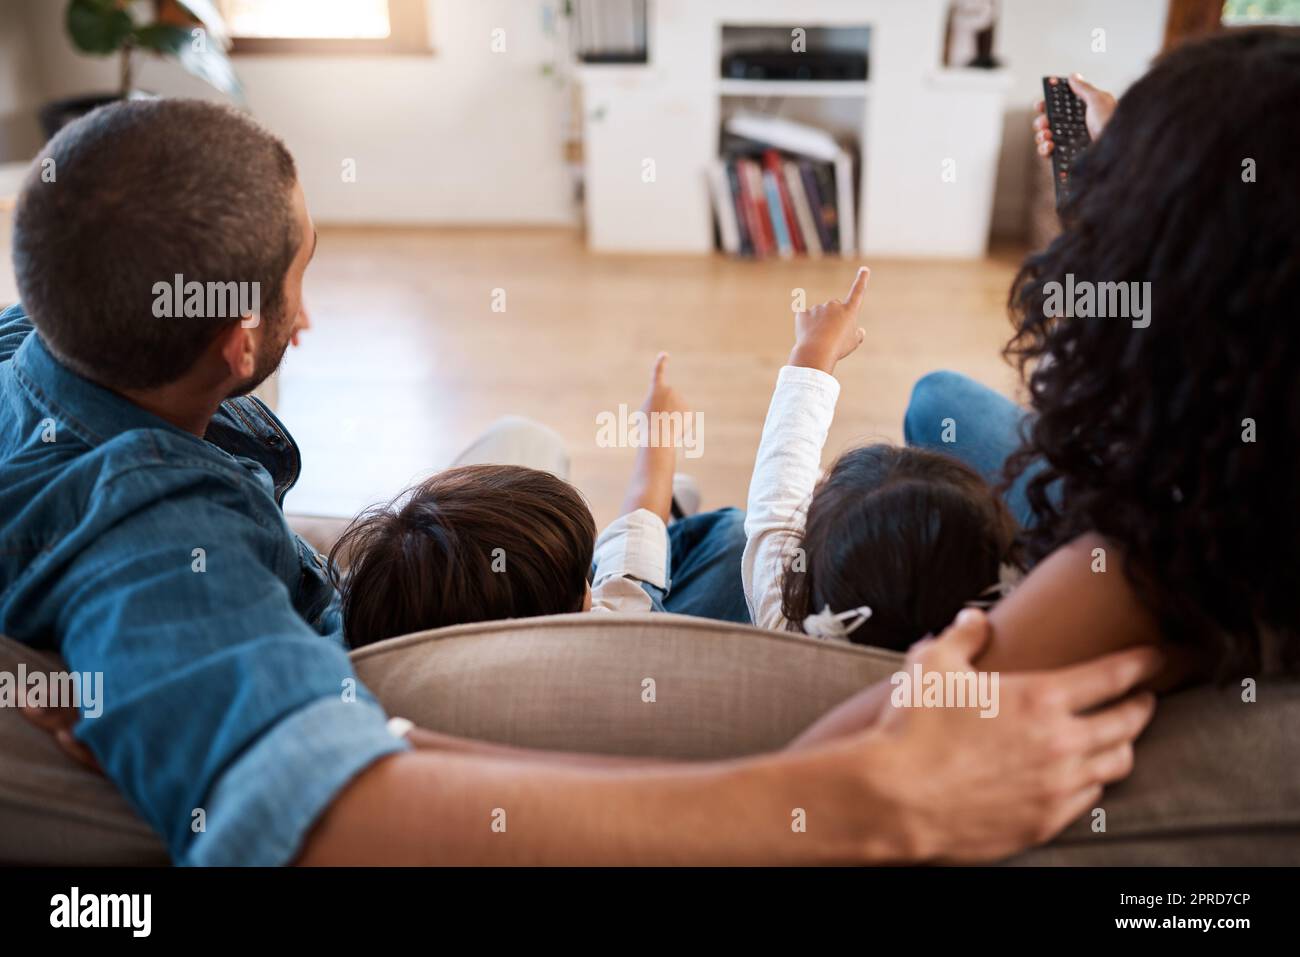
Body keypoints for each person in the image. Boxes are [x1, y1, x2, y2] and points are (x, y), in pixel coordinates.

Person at [2, 98, 1159, 866]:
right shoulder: (153, 549)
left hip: (358, 579)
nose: (315, 310)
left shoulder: (32, 345)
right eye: (306, 275)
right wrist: (871, 803)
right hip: (378, 634)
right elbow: (290, 806)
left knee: (523, 440)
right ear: (242, 343)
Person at [905, 28, 1300, 683]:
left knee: (935, 402)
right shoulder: (1258, 382)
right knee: (940, 400)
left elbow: (885, 739)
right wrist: (1141, 192)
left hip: (1154, 507)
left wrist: (1116, 221)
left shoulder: (1136, 573)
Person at [333, 355, 739, 646]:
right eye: (585, 582)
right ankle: (676, 524)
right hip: (634, 612)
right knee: (733, 537)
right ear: (564, 625)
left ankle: (674, 524)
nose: (591, 589)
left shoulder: (379, 631)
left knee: (523, 437)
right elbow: (630, 578)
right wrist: (659, 440)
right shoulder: (610, 642)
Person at [743, 268, 1021, 649]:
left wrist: (813, 349)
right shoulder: (1017, 649)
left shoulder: (789, 630)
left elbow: (776, 504)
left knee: (726, 532)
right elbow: (777, 511)